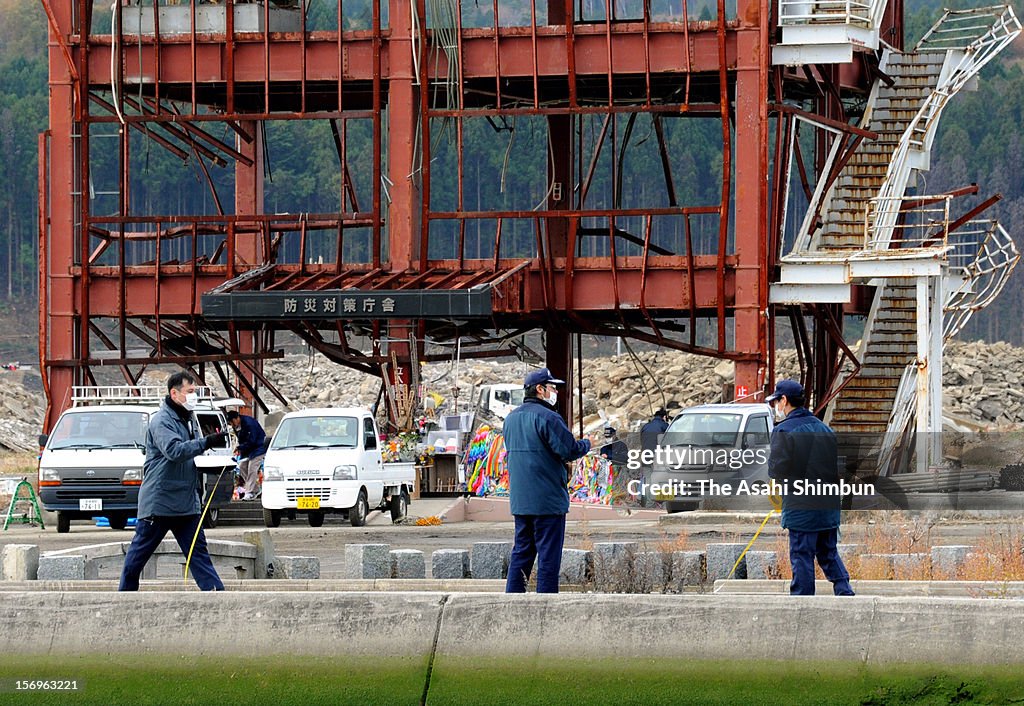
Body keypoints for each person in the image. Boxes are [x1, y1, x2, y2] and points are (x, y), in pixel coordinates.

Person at [118, 371, 228, 591]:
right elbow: (174, 451)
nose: (193, 396)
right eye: (190, 392)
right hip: (159, 502)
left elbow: (188, 453)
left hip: (186, 501)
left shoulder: (188, 418)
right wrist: (206, 443)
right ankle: (124, 597)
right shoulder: (161, 421)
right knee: (137, 557)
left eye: (195, 392)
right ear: (174, 393)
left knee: (198, 554)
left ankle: (217, 596)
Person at [502, 367, 591, 593]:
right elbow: (568, 449)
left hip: (521, 501)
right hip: (547, 500)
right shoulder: (549, 417)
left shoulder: (511, 419)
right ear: (540, 390)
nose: (555, 392)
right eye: (552, 388)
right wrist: (587, 444)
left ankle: (512, 601)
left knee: (521, 553)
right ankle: (546, 605)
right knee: (548, 557)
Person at [766, 379, 854, 597]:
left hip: (802, 506)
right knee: (827, 552)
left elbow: (777, 470)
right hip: (829, 504)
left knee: (801, 554)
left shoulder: (784, 430)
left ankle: (802, 603)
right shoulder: (824, 429)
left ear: (784, 400)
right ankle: (844, 592)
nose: (775, 407)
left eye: (775, 402)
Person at [226, 410, 268, 500]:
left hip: (259, 448)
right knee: (242, 467)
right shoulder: (237, 426)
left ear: (236, 418)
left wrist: (240, 448)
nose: (232, 425)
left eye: (232, 423)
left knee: (252, 468)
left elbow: (251, 441)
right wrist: (240, 450)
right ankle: (255, 489)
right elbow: (241, 440)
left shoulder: (249, 423)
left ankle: (249, 492)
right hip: (248, 450)